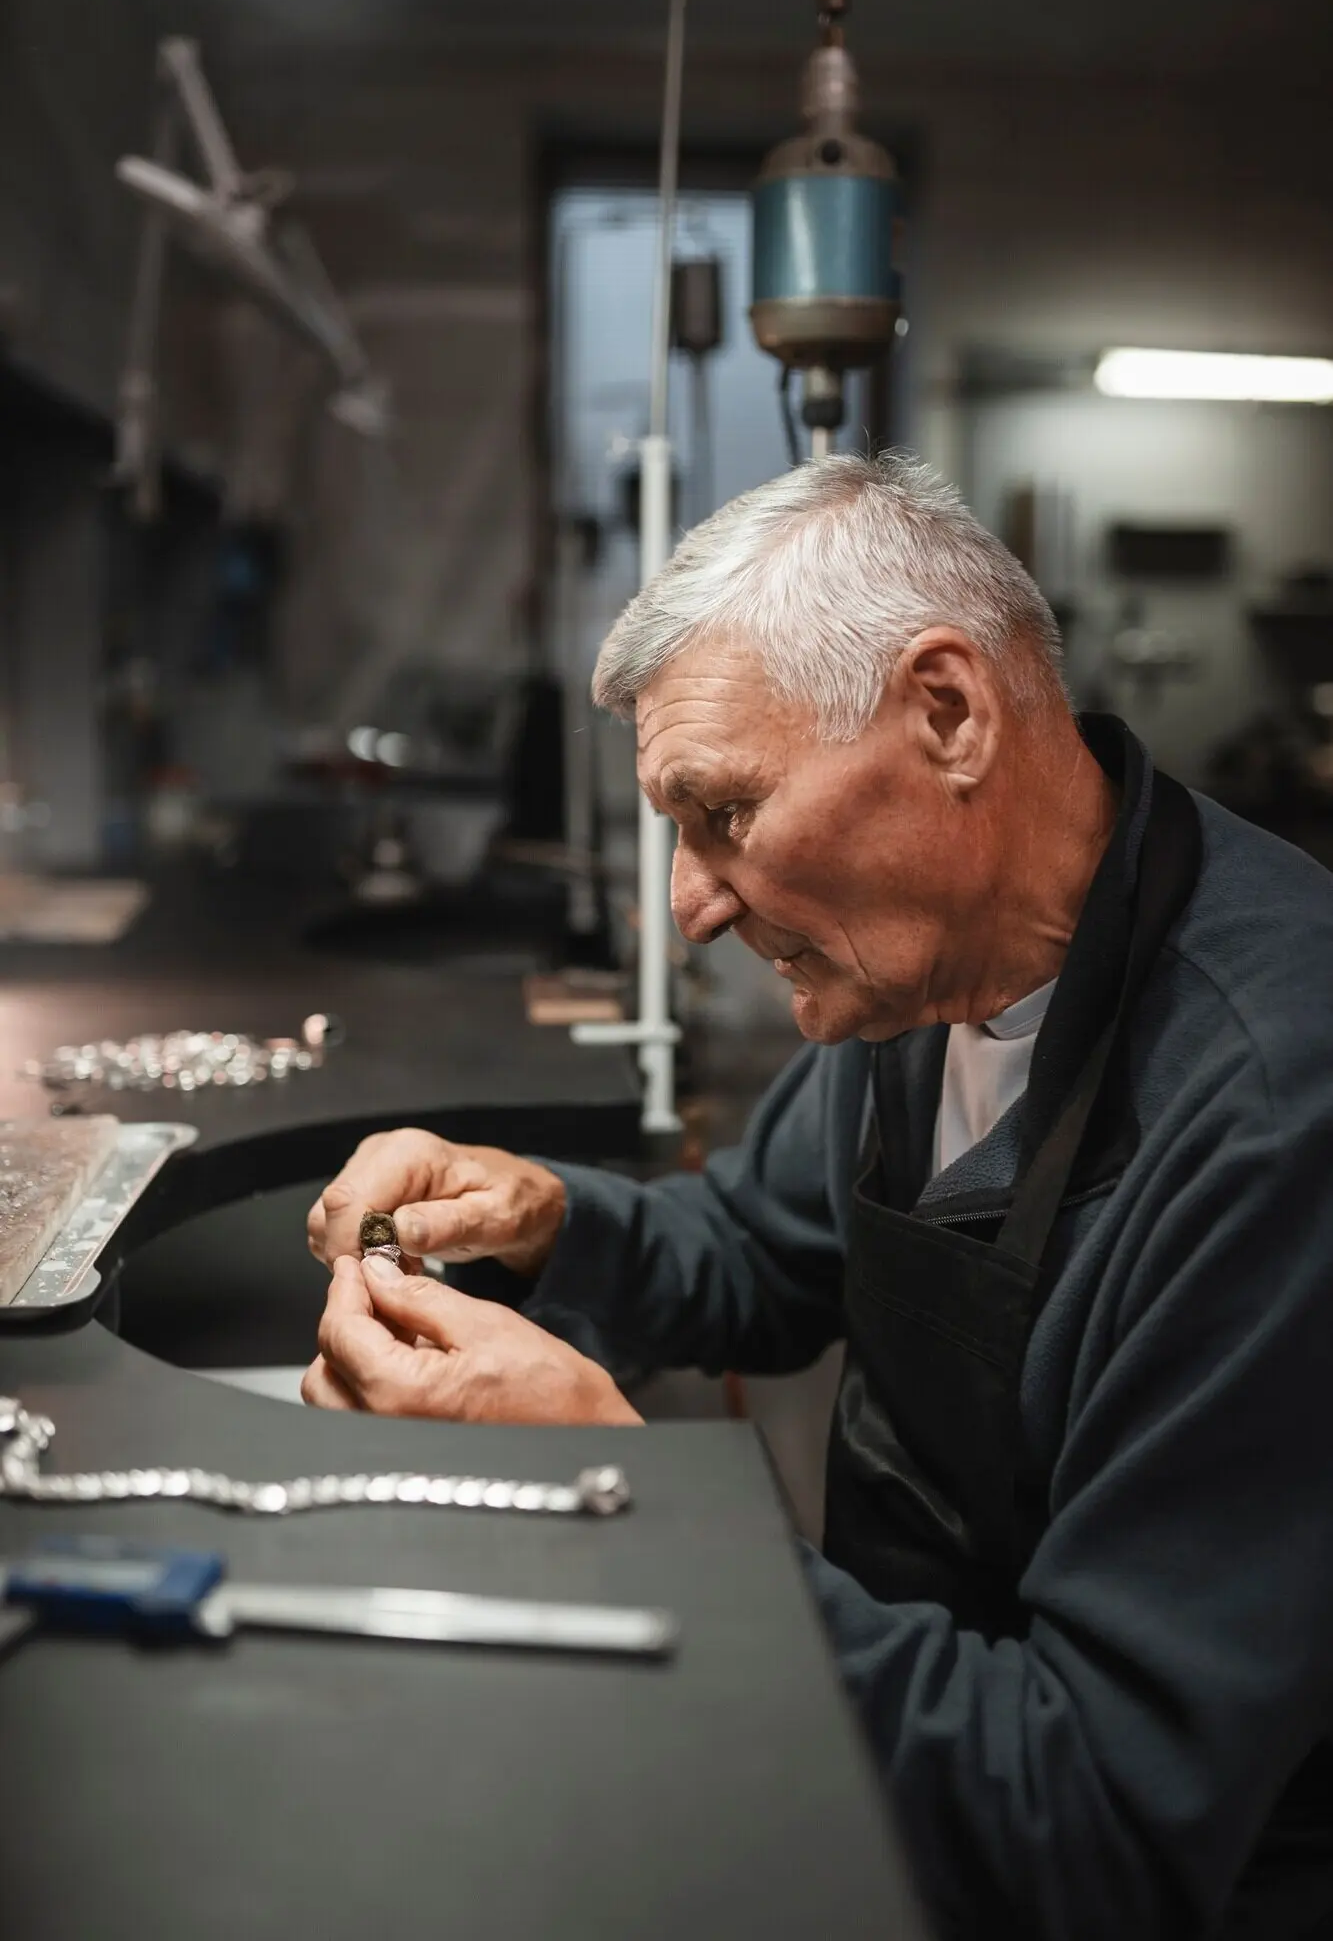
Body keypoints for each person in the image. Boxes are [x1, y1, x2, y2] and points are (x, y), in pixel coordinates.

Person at [303, 453, 1333, 1940]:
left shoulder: (1275, 1117)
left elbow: (1102, 1814)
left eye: (725, 811)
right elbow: (760, 1251)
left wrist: (631, 1500)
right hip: (897, 1745)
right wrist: (542, 1216)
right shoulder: (922, 967)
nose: (693, 903)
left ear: (950, 714)